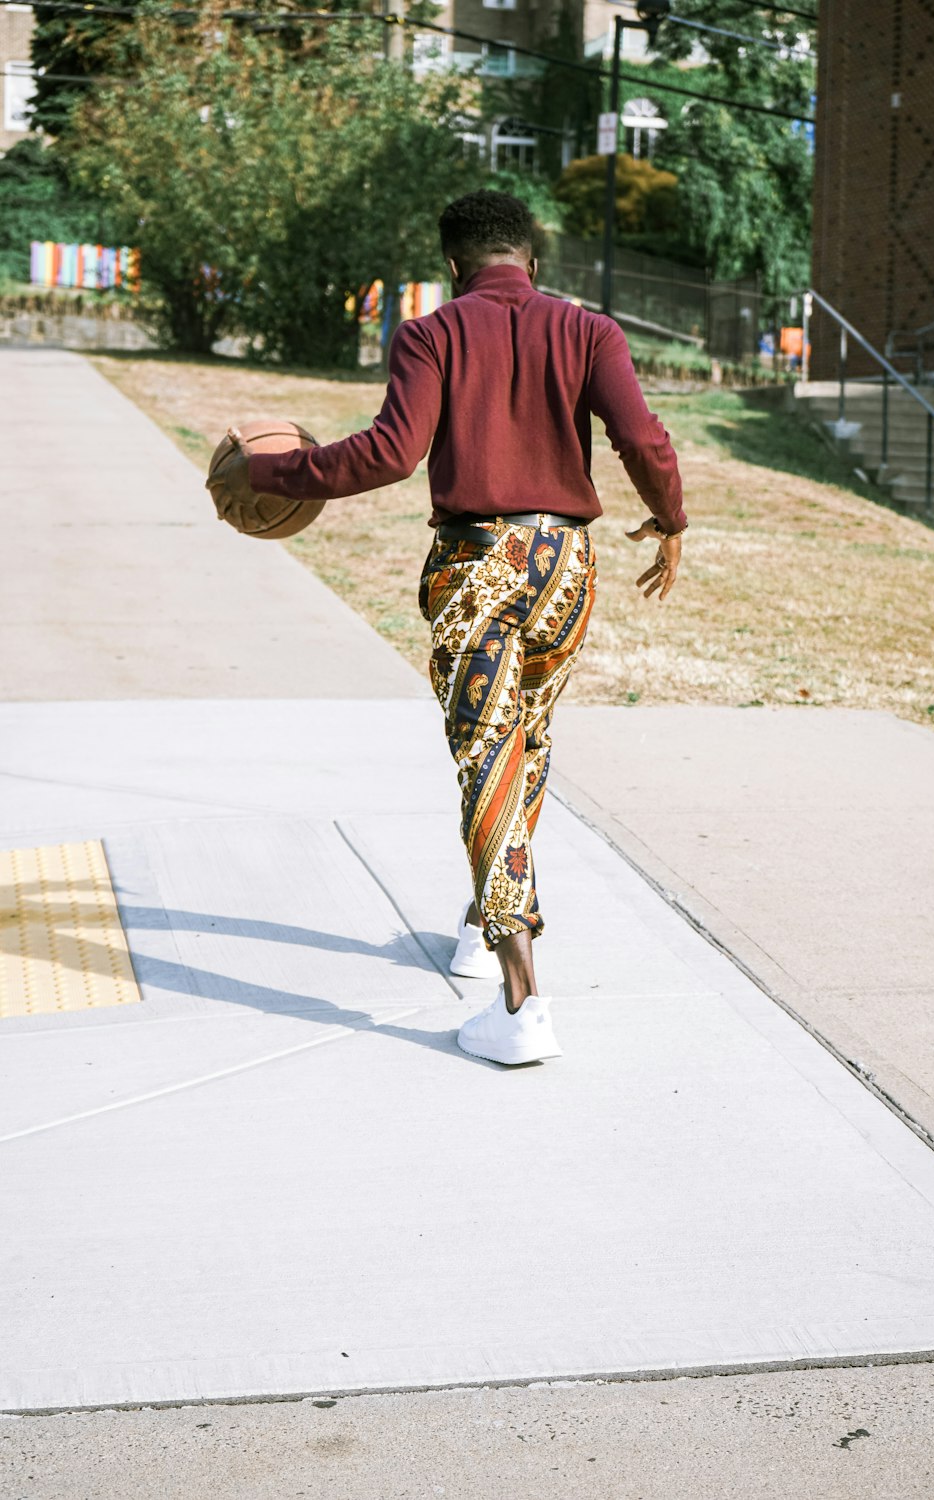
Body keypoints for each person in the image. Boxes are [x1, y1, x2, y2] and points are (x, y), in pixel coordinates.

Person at [209, 189, 686, 1067]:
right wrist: (672, 519)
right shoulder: (590, 331)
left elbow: (390, 454)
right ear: (531, 262)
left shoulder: (433, 332)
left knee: (489, 756)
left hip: (479, 569)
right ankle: (481, 925)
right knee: (528, 745)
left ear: (455, 267)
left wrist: (268, 469)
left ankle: (522, 1000)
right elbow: (642, 437)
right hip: (566, 570)